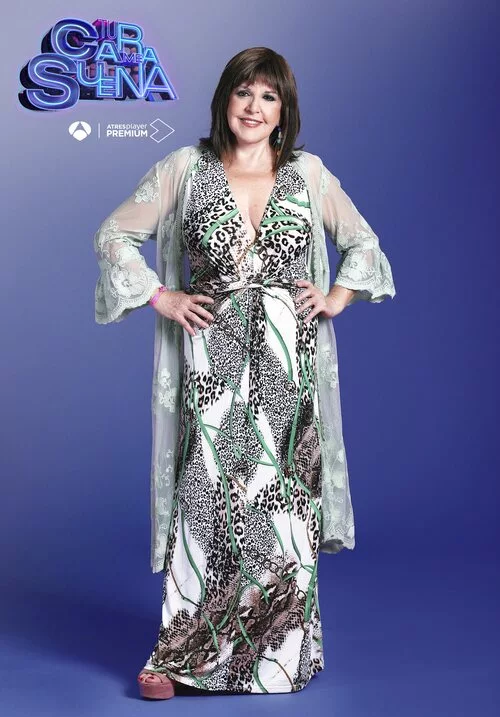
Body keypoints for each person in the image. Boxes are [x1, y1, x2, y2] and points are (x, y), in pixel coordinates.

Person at [93, 47, 396, 699]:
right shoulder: (184, 168)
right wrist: (161, 296)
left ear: (284, 111)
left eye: (269, 96)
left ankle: (277, 654)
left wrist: (336, 297)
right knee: (206, 503)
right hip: (213, 360)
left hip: (289, 366)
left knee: (282, 507)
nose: (254, 107)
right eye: (243, 92)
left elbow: (363, 243)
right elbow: (114, 235)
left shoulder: (308, 174)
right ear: (224, 100)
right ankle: (182, 653)